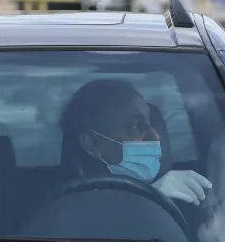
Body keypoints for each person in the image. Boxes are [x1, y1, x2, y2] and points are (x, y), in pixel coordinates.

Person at [60, 79, 212, 206]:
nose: (156, 136)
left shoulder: (187, 197)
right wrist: (150, 199)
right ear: (93, 144)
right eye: (134, 126)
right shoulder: (65, 214)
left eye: (152, 122)